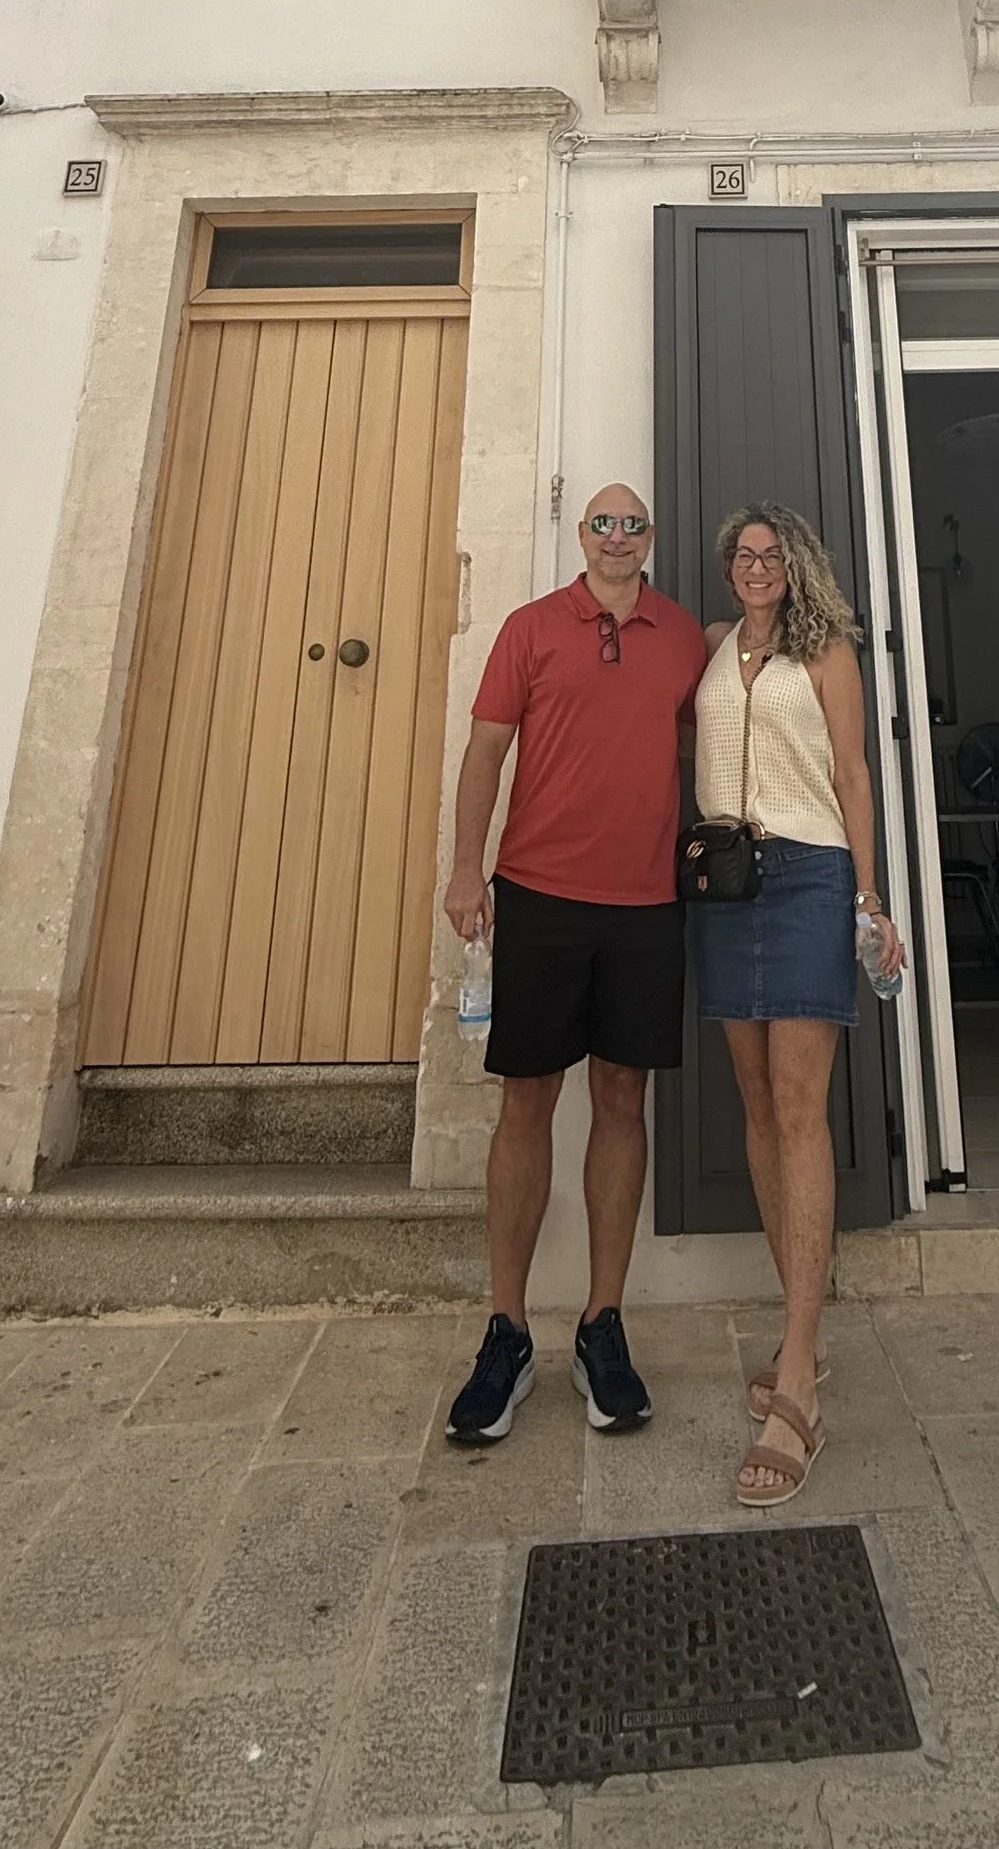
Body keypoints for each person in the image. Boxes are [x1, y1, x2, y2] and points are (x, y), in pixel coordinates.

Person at [439, 482, 709, 1446]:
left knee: (624, 1100)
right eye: (603, 523)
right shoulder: (529, 628)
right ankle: (507, 1332)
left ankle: (603, 1324)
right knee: (526, 1101)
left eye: (633, 524)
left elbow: (711, 738)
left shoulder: (683, 637)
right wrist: (465, 868)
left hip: (647, 903)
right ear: (581, 534)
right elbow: (485, 752)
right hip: (540, 895)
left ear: (650, 538)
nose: (618, 536)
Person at [691, 501, 905, 1510]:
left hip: (810, 877)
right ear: (728, 566)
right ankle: (799, 1343)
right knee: (754, 1103)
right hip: (725, 879)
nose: (756, 565)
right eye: (743, 553)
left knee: (796, 1107)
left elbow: (853, 776)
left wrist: (869, 897)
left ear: (796, 564)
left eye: (772, 553)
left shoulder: (827, 654)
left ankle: (800, 1382)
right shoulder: (711, 645)